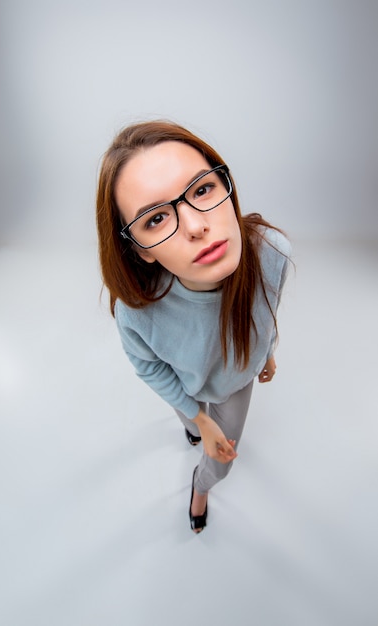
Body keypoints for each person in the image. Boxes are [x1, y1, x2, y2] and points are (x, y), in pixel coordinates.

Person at [96, 120, 291, 533]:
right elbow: (148, 367)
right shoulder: (138, 312)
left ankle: (200, 488)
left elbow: (266, 307)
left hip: (234, 382)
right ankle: (191, 426)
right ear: (140, 251)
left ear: (226, 187)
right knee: (192, 422)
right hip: (188, 386)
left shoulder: (274, 253)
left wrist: (267, 349)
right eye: (156, 219)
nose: (196, 226)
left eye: (202, 189)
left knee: (218, 460)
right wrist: (199, 421)